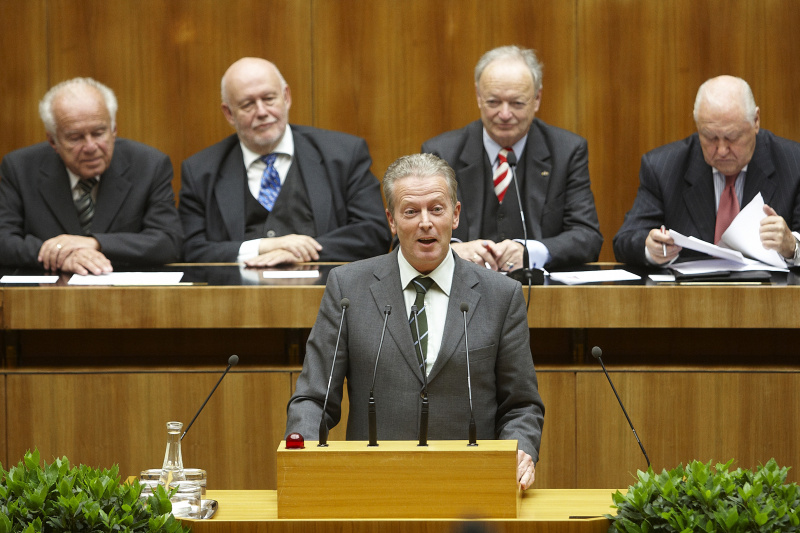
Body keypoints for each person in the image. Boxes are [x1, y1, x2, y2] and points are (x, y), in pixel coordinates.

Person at [285, 153, 545, 490]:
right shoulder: (349, 287)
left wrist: (521, 451)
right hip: (373, 486)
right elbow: (314, 397)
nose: (426, 222)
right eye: (411, 211)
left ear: (455, 214)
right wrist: (301, 449)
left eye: (436, 209)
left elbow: (521, 405)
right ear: (392, 221)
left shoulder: (501, 295)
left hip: (472, 487)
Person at [179, 57, 391, 266]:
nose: (262, 112)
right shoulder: (200, 171)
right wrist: (262, 246)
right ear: (229, 114)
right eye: (248, 105)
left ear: (286, 97)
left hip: (327, 293)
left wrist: (301, 252)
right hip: (236, 296)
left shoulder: (344, 154)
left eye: (269, 98)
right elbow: (189, 248)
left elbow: (374, 232)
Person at [422, 45, 602, 272]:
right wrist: (453, 251)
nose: (505, 114)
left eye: (517, 103)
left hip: (541, 293)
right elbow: (410, 237)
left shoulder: (566, 151)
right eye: (493, 102)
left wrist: (531, 252)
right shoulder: (441, 153)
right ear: (479, 96)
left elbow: (587, 236)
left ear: (536, 99)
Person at [0, 77, 182, 275]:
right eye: (75, 137)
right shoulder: (20, 168)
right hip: (47, 298)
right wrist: (63, 256)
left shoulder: (149, 165)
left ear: (114, 130)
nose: (90, 147)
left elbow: (169, 242)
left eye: (98, 133)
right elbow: (4, 240)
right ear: (53, 141)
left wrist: (95, 243)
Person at [614, 75, 800, 266]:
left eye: (732, 137)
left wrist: (793, 247)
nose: (721, 150)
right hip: (689, 294)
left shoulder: (794, 164)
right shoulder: (663, 167)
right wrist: (651, 248)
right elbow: (625, 239)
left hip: (769, 293)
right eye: (710, 137)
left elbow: (795, 245)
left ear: (756, 121)